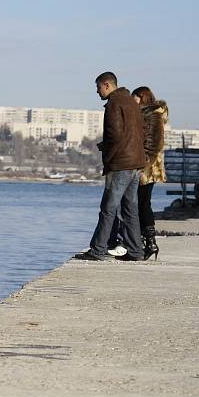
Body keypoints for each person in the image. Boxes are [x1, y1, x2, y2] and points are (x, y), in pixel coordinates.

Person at [77, 72, 147, 261]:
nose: (97, 92)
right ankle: (135, 251)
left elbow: (115, 135)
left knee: (108, 207)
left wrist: (107, 156)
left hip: (121, 163)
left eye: (98, 87)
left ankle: (98, 249)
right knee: (129, 208)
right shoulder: (131, 102)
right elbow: (139, 132)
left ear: (107, 85)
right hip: (136, 162)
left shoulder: (114, 104)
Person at [132, 86, 168, 260]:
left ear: (142, 97)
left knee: (142, 203)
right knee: (143, 203)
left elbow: (153, 143)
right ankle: (147, 242)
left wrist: (142, 164)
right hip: (150, 166)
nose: (133, 102)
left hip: (147, 167)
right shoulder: (152, 114)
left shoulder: (151, 115)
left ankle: (149, 242)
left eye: (135, 98)